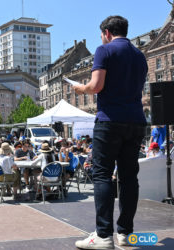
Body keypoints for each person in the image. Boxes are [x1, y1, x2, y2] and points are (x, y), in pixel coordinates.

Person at [73, 16, 147, 249]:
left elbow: (95, 86)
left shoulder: (104, 51)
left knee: (102, 174)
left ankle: (104, 236)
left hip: (110, 121)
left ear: (106, 32)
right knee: (128, 177)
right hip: (136, 121)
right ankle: (125, 233)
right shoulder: (140, 56)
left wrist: (79, 87)